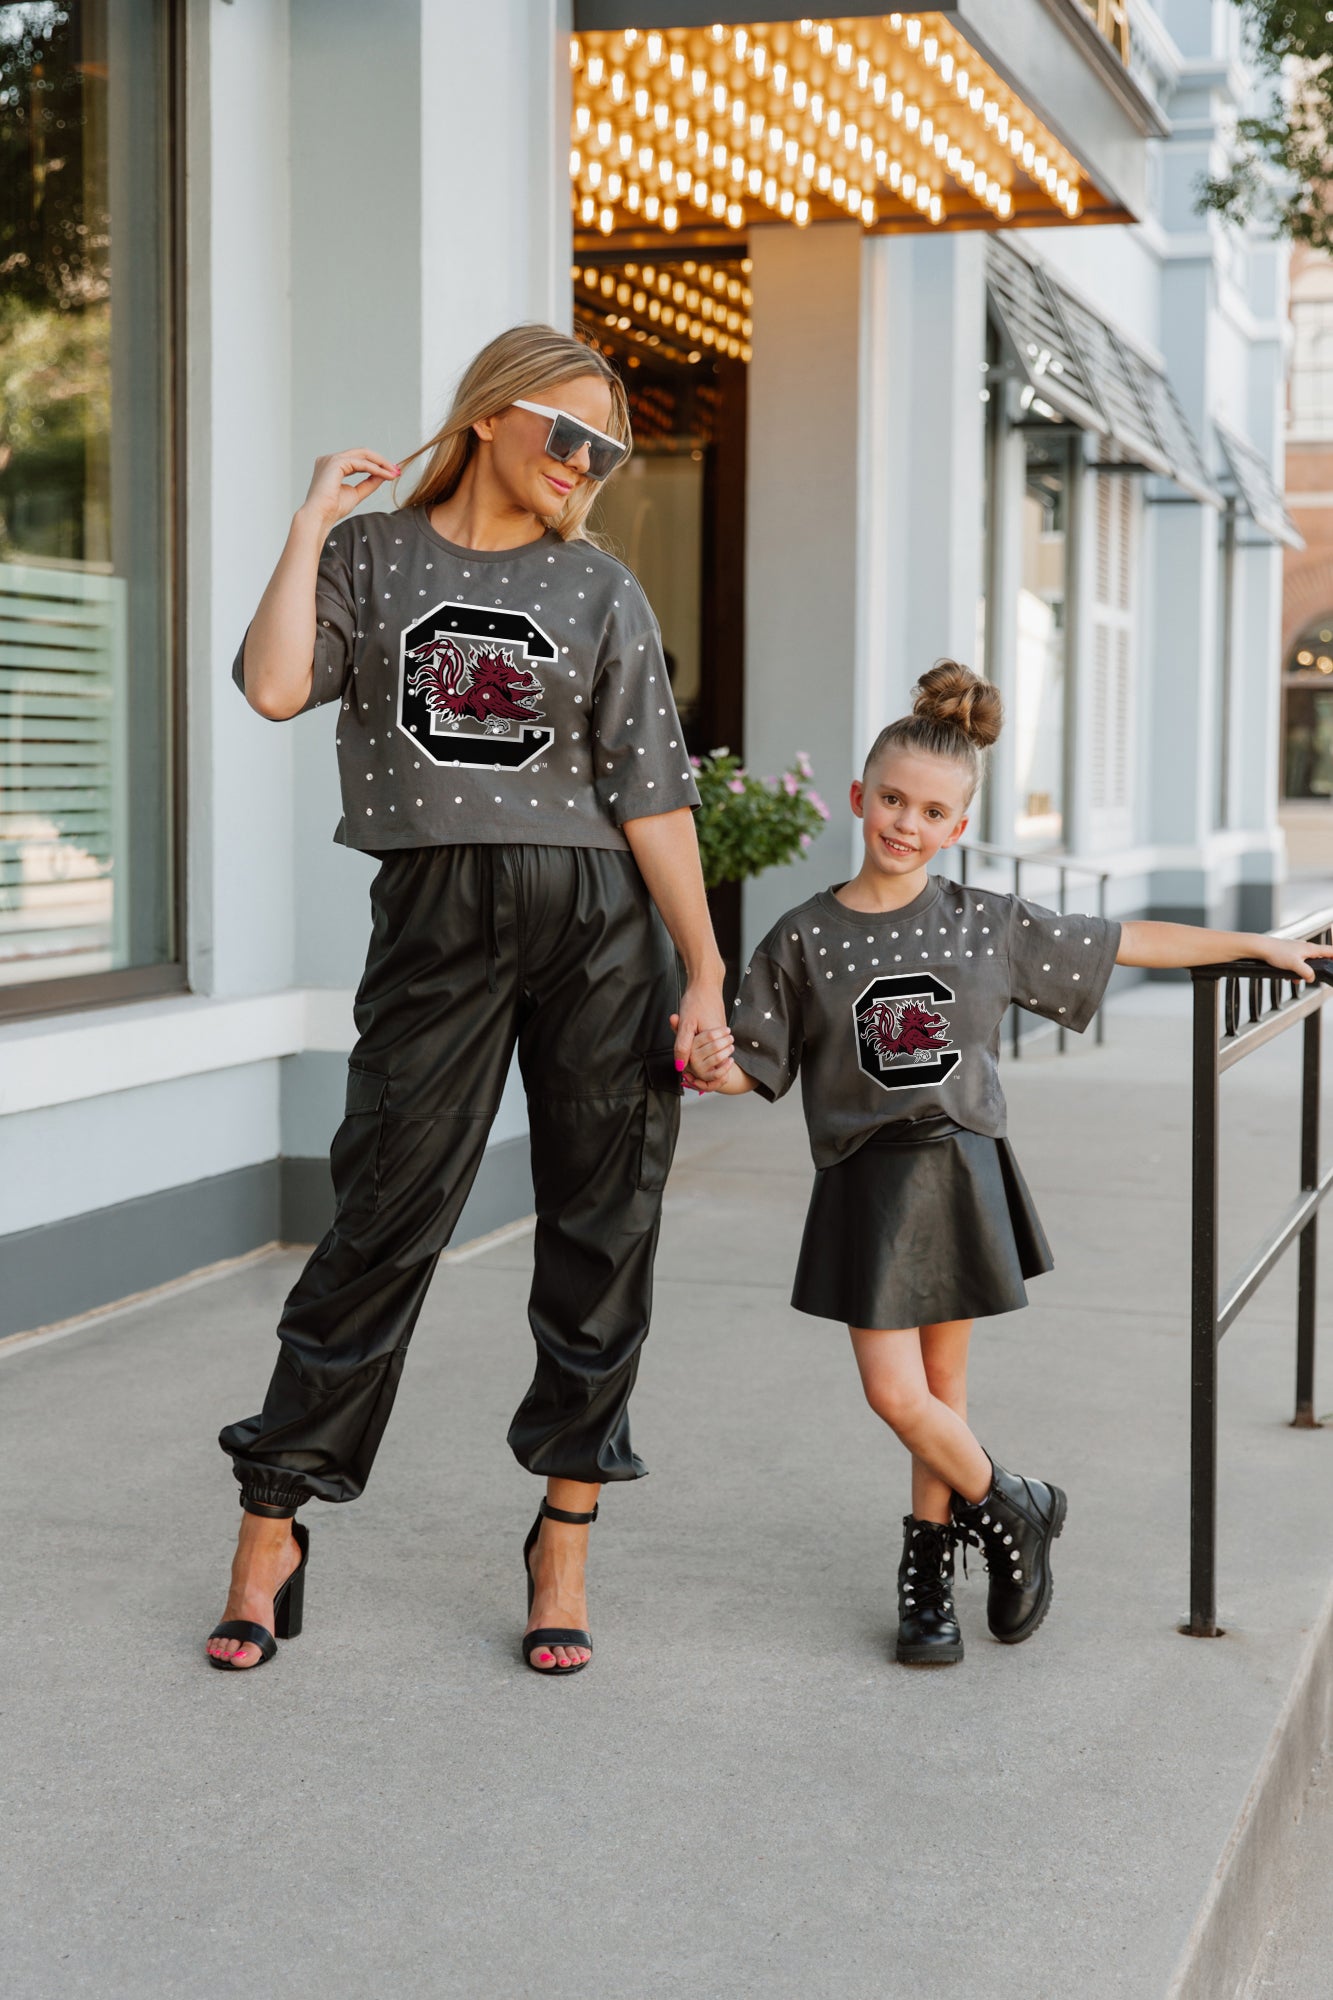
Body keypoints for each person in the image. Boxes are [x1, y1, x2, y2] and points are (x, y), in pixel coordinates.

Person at [207, 325, 727, 1677]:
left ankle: (565, 1534)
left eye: (607, 452)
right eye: (569, 432)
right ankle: (272, 1523)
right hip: (435, 922)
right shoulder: (374, 555)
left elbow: (652, 795)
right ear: (492, 415)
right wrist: (309, 522)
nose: (585, 464)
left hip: (601, 927)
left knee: (602, 1229)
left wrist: (705, 968)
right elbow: (274, 685)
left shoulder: (600, 588)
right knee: (382, 1214)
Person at [687, 662, 1333, 1667]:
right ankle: (1012, 1504)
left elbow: (1123, 939)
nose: (905, 822)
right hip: (864, 1179)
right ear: (858, 797)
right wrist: (709, 1065)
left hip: (959, 1169)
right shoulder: (803, 936)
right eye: (891, 799)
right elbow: (754, 1063)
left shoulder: (983, 923)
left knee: (938, 1392)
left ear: (956, 827)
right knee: (895, 1394)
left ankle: (927, 1578)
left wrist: (1250, 942)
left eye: (929, 811)